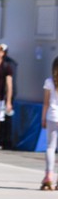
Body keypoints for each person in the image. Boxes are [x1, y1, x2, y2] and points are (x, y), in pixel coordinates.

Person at [40, 56, 58, 190]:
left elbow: (46, 103)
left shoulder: (49, 82)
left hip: (52, 115)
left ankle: (49, 174)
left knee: (50, 147)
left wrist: (43, 118)